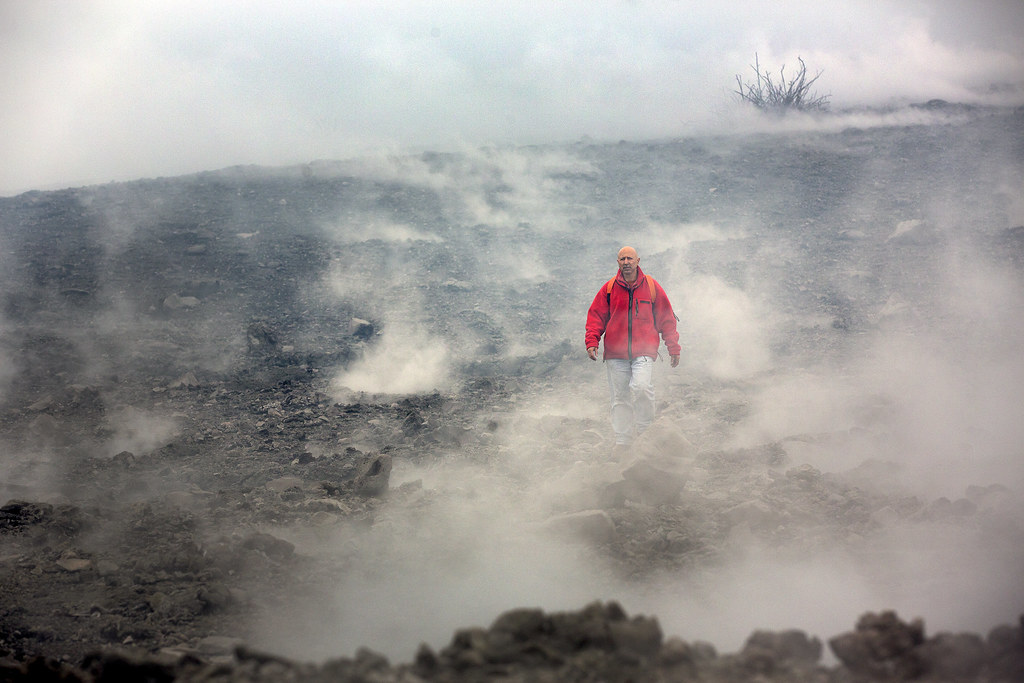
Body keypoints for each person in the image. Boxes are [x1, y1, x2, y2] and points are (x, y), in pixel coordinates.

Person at [585, 246, 680, 448]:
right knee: (620, 398)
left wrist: (673, 347)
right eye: (622, 259)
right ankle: (623, 442)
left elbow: (666, 318)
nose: (626, 262)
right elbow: (596, 317)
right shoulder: (609, 289)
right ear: (617, 262)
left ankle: (646, 434)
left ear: (638, 260)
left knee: (641, 387)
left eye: (629, 258)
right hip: (615, 353)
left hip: (644, 350)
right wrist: (592, 341)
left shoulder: (652, 287)